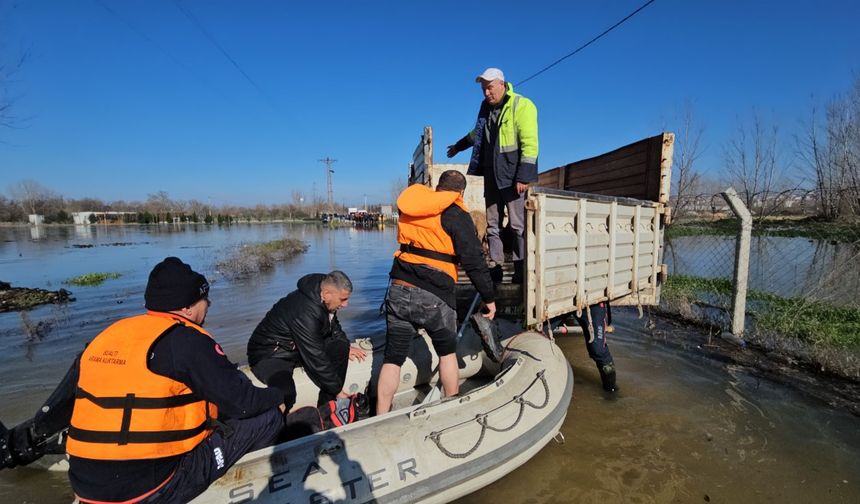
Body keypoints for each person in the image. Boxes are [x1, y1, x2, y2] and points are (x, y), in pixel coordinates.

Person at [0, 257, 286, 504]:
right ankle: (260, 479)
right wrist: (279, 396)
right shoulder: (188, 340)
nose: (208, 305)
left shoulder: (108, 336)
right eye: (204, 299)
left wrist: (20, 443)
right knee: (268, 417)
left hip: (85, 483)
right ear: (187, 308)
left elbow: (63, 403)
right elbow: (244, 405)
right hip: (149, 489)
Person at [377, 170, 497, 414]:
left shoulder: (411, 207)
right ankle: (451, 409)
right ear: (460, 192)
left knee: (392, 358)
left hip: (398, 288)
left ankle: (380, 415)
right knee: (446, 353)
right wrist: (489, 298)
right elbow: (473, 261)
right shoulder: (455, 213)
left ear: (437, 188)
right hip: (434, 295)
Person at [447, 67, 539, 283]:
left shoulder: (521, 105)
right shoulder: (486, 111)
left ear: (501, 84)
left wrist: (523, 176)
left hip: (513, 177)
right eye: (483, 89)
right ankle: (495, 267)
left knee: (518, 227)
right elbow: (475, 135)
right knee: (492, 227)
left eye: (489, 88)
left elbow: (530, 143)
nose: (486, 93)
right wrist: (459, 146)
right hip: (492, 177)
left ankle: (520, 269)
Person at [247, 271, 367, 412]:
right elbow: (315, 356)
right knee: (286, 392)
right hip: (272, 353)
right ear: (327, 294)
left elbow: (333, 327)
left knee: (340, 347)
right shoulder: (305, 312)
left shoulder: (324, 298)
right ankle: (279, 428)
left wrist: (346, 346)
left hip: (296, 348)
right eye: (343, 299)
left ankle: (325, 412)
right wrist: (338, 391)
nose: (346, 304)